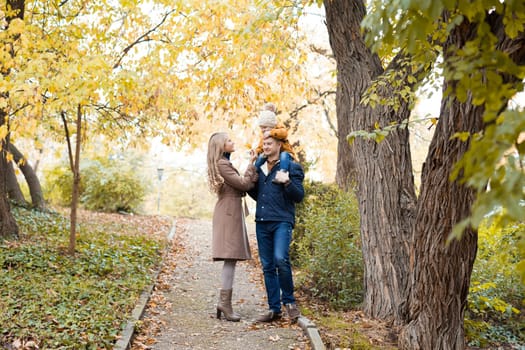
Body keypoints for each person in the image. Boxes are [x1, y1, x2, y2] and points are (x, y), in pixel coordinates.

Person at [247, 133, 305, 323]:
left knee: (281, 258)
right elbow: (255, 193)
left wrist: (287, 181)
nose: (265, 146)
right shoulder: (261, 167)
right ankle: (274, 309)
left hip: (282, 220)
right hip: (262, 221)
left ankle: (289, 303)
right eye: (264, 143)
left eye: (269, 143)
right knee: (268, 266)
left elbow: (298, 196)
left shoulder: (291, 167)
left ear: (279, 145)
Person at [206, 132, 258, 322]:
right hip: (228, 213)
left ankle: (224, 303)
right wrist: (252, 164)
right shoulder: (222, 164)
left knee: (231, 260)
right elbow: (244, 184)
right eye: (228, 140)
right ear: (221, 146)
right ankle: (224, 304)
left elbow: (242, 184)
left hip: (231, 211)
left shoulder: (224, 164)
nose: (232, 141)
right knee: (230, 258)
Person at [254, 103, 298, 184]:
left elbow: (284, 133)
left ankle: (282, 174)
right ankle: (254, 172)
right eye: (261, 128)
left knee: (283, 155)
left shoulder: (278, 127)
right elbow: (261, 144)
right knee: (261, 157)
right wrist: (257, 152)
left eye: (265, 127)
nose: (263, 130)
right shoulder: (264, 134)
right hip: (273, 155)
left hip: (286, 153)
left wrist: (271, 132)